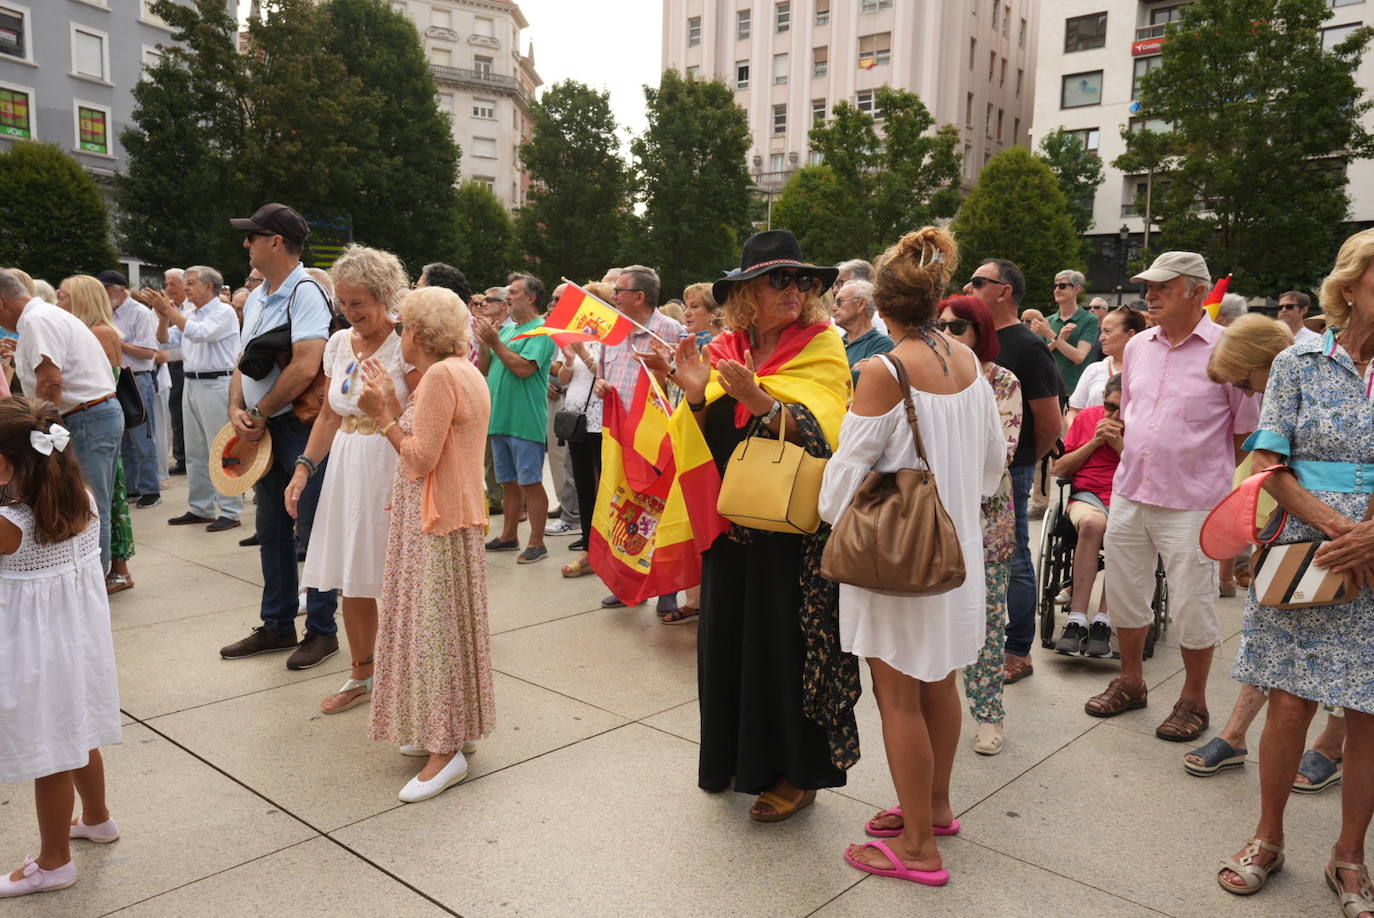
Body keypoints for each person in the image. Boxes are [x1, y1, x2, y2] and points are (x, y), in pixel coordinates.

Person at [821, 228, 1003, 886]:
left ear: (882, 306)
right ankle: (937, 806)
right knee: (940, 683)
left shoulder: (881, 370)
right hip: (954, 554)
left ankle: (921, 848)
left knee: (896, 695)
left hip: (897, 559)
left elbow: (840, 485)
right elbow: (990, 469)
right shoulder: (966, 362)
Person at [1213, 229, 1374, 914]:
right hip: (1305, 557)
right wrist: (1339, 527)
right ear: (1350, 285)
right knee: (1287, 702)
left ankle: (1350, 858)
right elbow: (1268, 462)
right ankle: (1268, 838)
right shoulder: (1300, 360)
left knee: (1369, 714)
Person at [671, 229, 856, 822]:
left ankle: (795, 774)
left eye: (803, 280)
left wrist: (765, 404)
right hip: (731, 528)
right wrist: (698, 398)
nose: (794, 290)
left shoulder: (823, 346)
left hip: (789, 535)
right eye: (779, 279)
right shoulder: (723, 347)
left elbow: (829, 433)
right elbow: (697, 445)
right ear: (747, 290)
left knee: (785, 648)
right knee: (728, 641)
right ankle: (735, 759)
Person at [1085, 251, 1259, 742]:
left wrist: (1201, 466)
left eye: (1163, 286)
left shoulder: (1228, 349)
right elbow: (1134, 413)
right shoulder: (1139, 345)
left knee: (1193, 605)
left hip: (1192, 500)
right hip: (1132, 489)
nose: (1150, 295)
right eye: (1149, 286)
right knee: (1123, 594)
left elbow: (1245, 431)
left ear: (1196, 292)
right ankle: (1132, 681)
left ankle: (1194, 700)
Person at [1183, 314, 1344, 786]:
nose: (1247, 394)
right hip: (1293, 526)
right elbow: (1267, 464)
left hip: (1344, 527)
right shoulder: (1285, 383)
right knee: (1268, 637)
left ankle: (1331, 746)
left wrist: (1340, 526)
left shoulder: (1322, 372)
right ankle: (1235, 735)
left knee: (1342, 640)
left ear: (1264, 364)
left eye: (1245, 381)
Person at [358, 286, 495, 803]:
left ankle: (446, 750)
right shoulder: (463, 370)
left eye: (401, 328)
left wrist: (383, 416)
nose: (398, 337)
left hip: (435, 521)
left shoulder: (440, 376)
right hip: (450, 517)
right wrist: (391, 406)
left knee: (434, 632)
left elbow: (418, 458)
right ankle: (450, 729)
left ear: (417, 332)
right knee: (445, 631)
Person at [0, 396, 121, 898]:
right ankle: (96, 817)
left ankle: (54, 862)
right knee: (77, 727)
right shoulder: (81, 498)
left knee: (48, 749)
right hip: (78, 642)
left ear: (6, 465)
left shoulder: (11, 525)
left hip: (35, 649)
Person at [288, 245, 416, 715]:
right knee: (353, 578)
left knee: (397, 577)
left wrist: (386, 406)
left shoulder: (408, 343)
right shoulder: (339, 344)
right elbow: (326, 414)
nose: (349, 312)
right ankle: (363, 672)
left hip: (391, 461)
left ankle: (405, 675)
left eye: (358, 302)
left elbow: (421, 418)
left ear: (385, 296)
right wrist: (304, 467)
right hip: (345, 462)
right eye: (343, 302)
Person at [218, 203, 339, 671]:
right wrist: (237, 409)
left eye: (253, 236)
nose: (246, 243)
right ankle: (278, 624)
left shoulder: (304, 290)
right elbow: (243, 363)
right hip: (268, 426)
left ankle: (323, 631)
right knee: (271, 529)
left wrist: (260, 411)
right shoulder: (263, 295)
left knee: (312, 529)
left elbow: (309, 362)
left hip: (299, 429)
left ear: (275, 242)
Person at [964, 259, 1061, 685]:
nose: (969, 286)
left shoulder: (1026, 346)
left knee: (1015, 554)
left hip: (1011, 471)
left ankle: (1018, 648)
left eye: (978, 282)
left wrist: (1021, 462)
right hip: (969, 471)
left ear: (1004, 291)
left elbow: (1050, 422)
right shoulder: (971, 343)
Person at [937, 294, 1021, 757]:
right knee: (938, 620)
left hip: (986, 525)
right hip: (936, 521)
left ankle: (988, 715)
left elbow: (1002, 453)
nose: (947, 335)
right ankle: (939, 707)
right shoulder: (931, 376)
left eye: (958, 327)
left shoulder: (1001, 381)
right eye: (941, 326)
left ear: (980, 332)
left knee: (988, 625)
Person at [0, 272, 122, 573]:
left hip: (86, 418)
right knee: (85, 502)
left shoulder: (37, 320)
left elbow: (51, 382)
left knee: (88, 505)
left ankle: (93, 580)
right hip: (87, 416)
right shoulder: (42, 316)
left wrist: (39, 429)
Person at [594, 265, 685, 618]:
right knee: (623, 509)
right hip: (619, 439)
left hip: (655, 441)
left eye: (619, 291)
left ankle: (665, 591)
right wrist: (601, 386)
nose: (613, 296)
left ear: (639, 297)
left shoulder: (669, 331)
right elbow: (602, 375)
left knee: (659, 514)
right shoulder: (613, 332)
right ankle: (625, 584)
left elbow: (680, 385)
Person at [144, 266, 243, 531]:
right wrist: (164, 315)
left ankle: (231, 510)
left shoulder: (223, 311)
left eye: (190, 283)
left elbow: (200, 333)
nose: (186, 288)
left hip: (217, 382)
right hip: (192, 381)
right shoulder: (190, 313)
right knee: (196, 451)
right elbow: (164, 341)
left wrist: (171, 311)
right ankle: (201, 507)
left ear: (209, 287)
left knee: (221, 448)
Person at [58, 276, 138, 594]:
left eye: (64, 297)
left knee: (103, 500)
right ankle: (117, 569)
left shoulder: (98, 332)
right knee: (110, 498)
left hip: (97, 420)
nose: (58, 303)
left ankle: (109, 572)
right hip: (101, 422)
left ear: (81, 300)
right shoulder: (91, 330)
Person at [474, 273, 555, 564]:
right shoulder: (507, 332)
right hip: (500, 419)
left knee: (530, 482)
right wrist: (484, 341)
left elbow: (523, 369)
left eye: (514, 292)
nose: (508, 297)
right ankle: (509, 535)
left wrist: (494, 342)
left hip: (524, 420)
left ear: (531, 298)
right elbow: (484, 367)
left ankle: (537, 542)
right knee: (507, 481)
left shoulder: (542, 331)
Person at [1050, 374, 1124, 656]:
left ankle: (1104, 620)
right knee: (1092, 525)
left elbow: (1152, 476)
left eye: (1120, 409)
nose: (1113, 414)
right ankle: (1077, 618)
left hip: (1127, 497)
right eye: (1109, 406)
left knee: (1123, 530)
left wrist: (1119, 445)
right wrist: (1094, 442)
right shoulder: (1087, 418)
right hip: (1088, 496)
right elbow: (1061, 468)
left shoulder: (1145, 425)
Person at [100, 270, 161, 509]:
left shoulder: (140, 312)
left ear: (120, 288)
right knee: (124, 437)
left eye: (106, 289)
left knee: (142, 434)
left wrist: (116, 342)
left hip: (138, 378)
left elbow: (148, 352)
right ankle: (133, 487)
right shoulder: (107, 313)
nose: (104, 294)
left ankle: (150, 488)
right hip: (116, 377)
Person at [1027, 269, 1100, 396]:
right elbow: (1041, 357)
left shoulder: (1089, 320)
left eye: (1062, 286)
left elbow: (1079, 357)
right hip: (1048, 389)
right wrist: (1058, 339)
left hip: (1074, 391)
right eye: (1055, 286)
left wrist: (1051, 335)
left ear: (1076, 290)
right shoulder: (1048, 320)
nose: (1056, 290)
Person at [1067, 307, 1146, 422]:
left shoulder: (1149, 372)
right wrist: (1079, 433)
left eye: (1107, 332)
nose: (1100, 338)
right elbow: (1073, 410)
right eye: (1101, 331)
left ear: (1130, 334)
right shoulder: (1094, 370)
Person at [833, 279, 893, 382]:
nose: (834, 307)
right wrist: (852, 372)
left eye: (839, 301)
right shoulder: (835, 342)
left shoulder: (882, 344)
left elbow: (868, 381)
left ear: (860, 304)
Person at [683, 282, 724, 347]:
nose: (686, 313)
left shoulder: (727, 344)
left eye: (694, 306)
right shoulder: (695, 344)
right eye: (686, 307)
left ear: (714, 312)